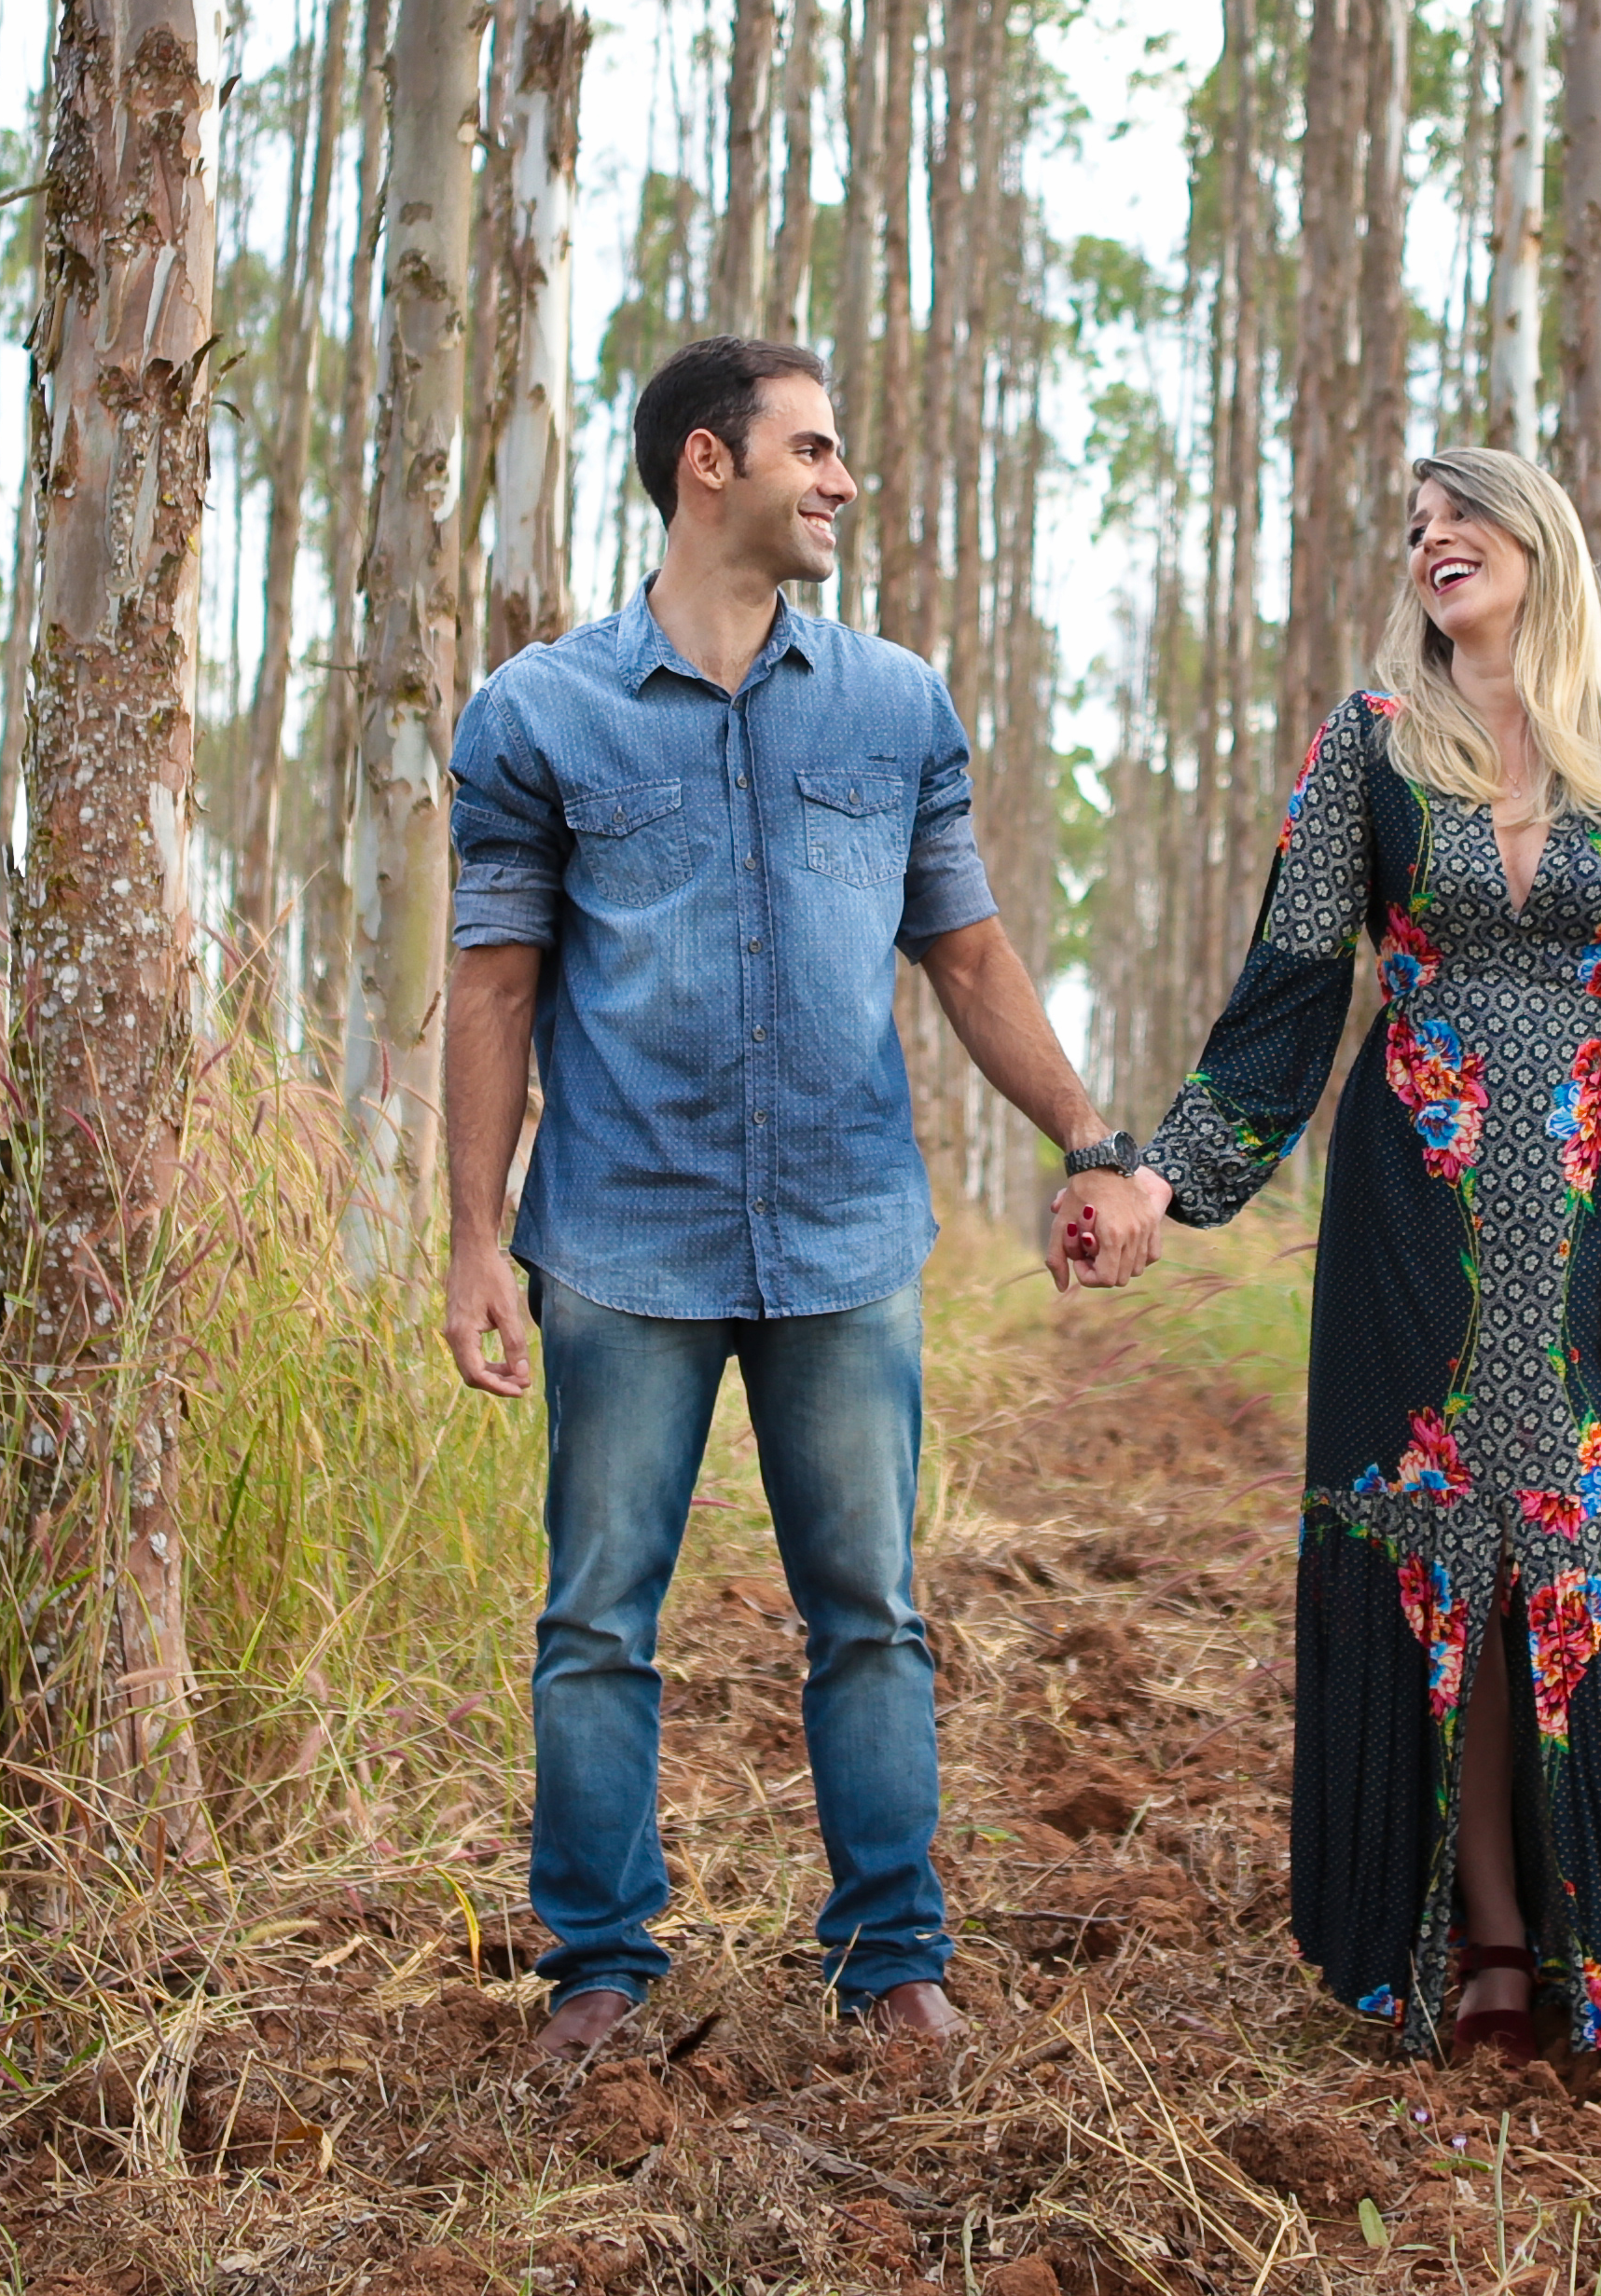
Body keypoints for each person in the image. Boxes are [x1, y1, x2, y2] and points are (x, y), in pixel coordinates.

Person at [441, 335, 1139, 2059]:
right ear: (709, 462)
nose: (840, 480)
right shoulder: (538, 714)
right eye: (813, 450)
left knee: (873, 1613)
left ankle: (896, 1963)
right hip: (622, 1238)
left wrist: (1092, 1137)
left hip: (843, 1234)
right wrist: (472, 1240)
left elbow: (968, 957)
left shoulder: (894, 706)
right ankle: (600, 1973)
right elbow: (494, 990)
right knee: (599, 1619)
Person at [1051, 446, 1601, 2088]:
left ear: (1539, 543)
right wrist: (1162, 1178)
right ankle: (1494, 1944)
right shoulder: (1368, 748)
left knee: (1594, 1545)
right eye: (1416, 528)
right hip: (1413, 1220)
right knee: (1458, 1559)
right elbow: (1291, 993)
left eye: (1466, 519)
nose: (1436, 542)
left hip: (1598, 1221)